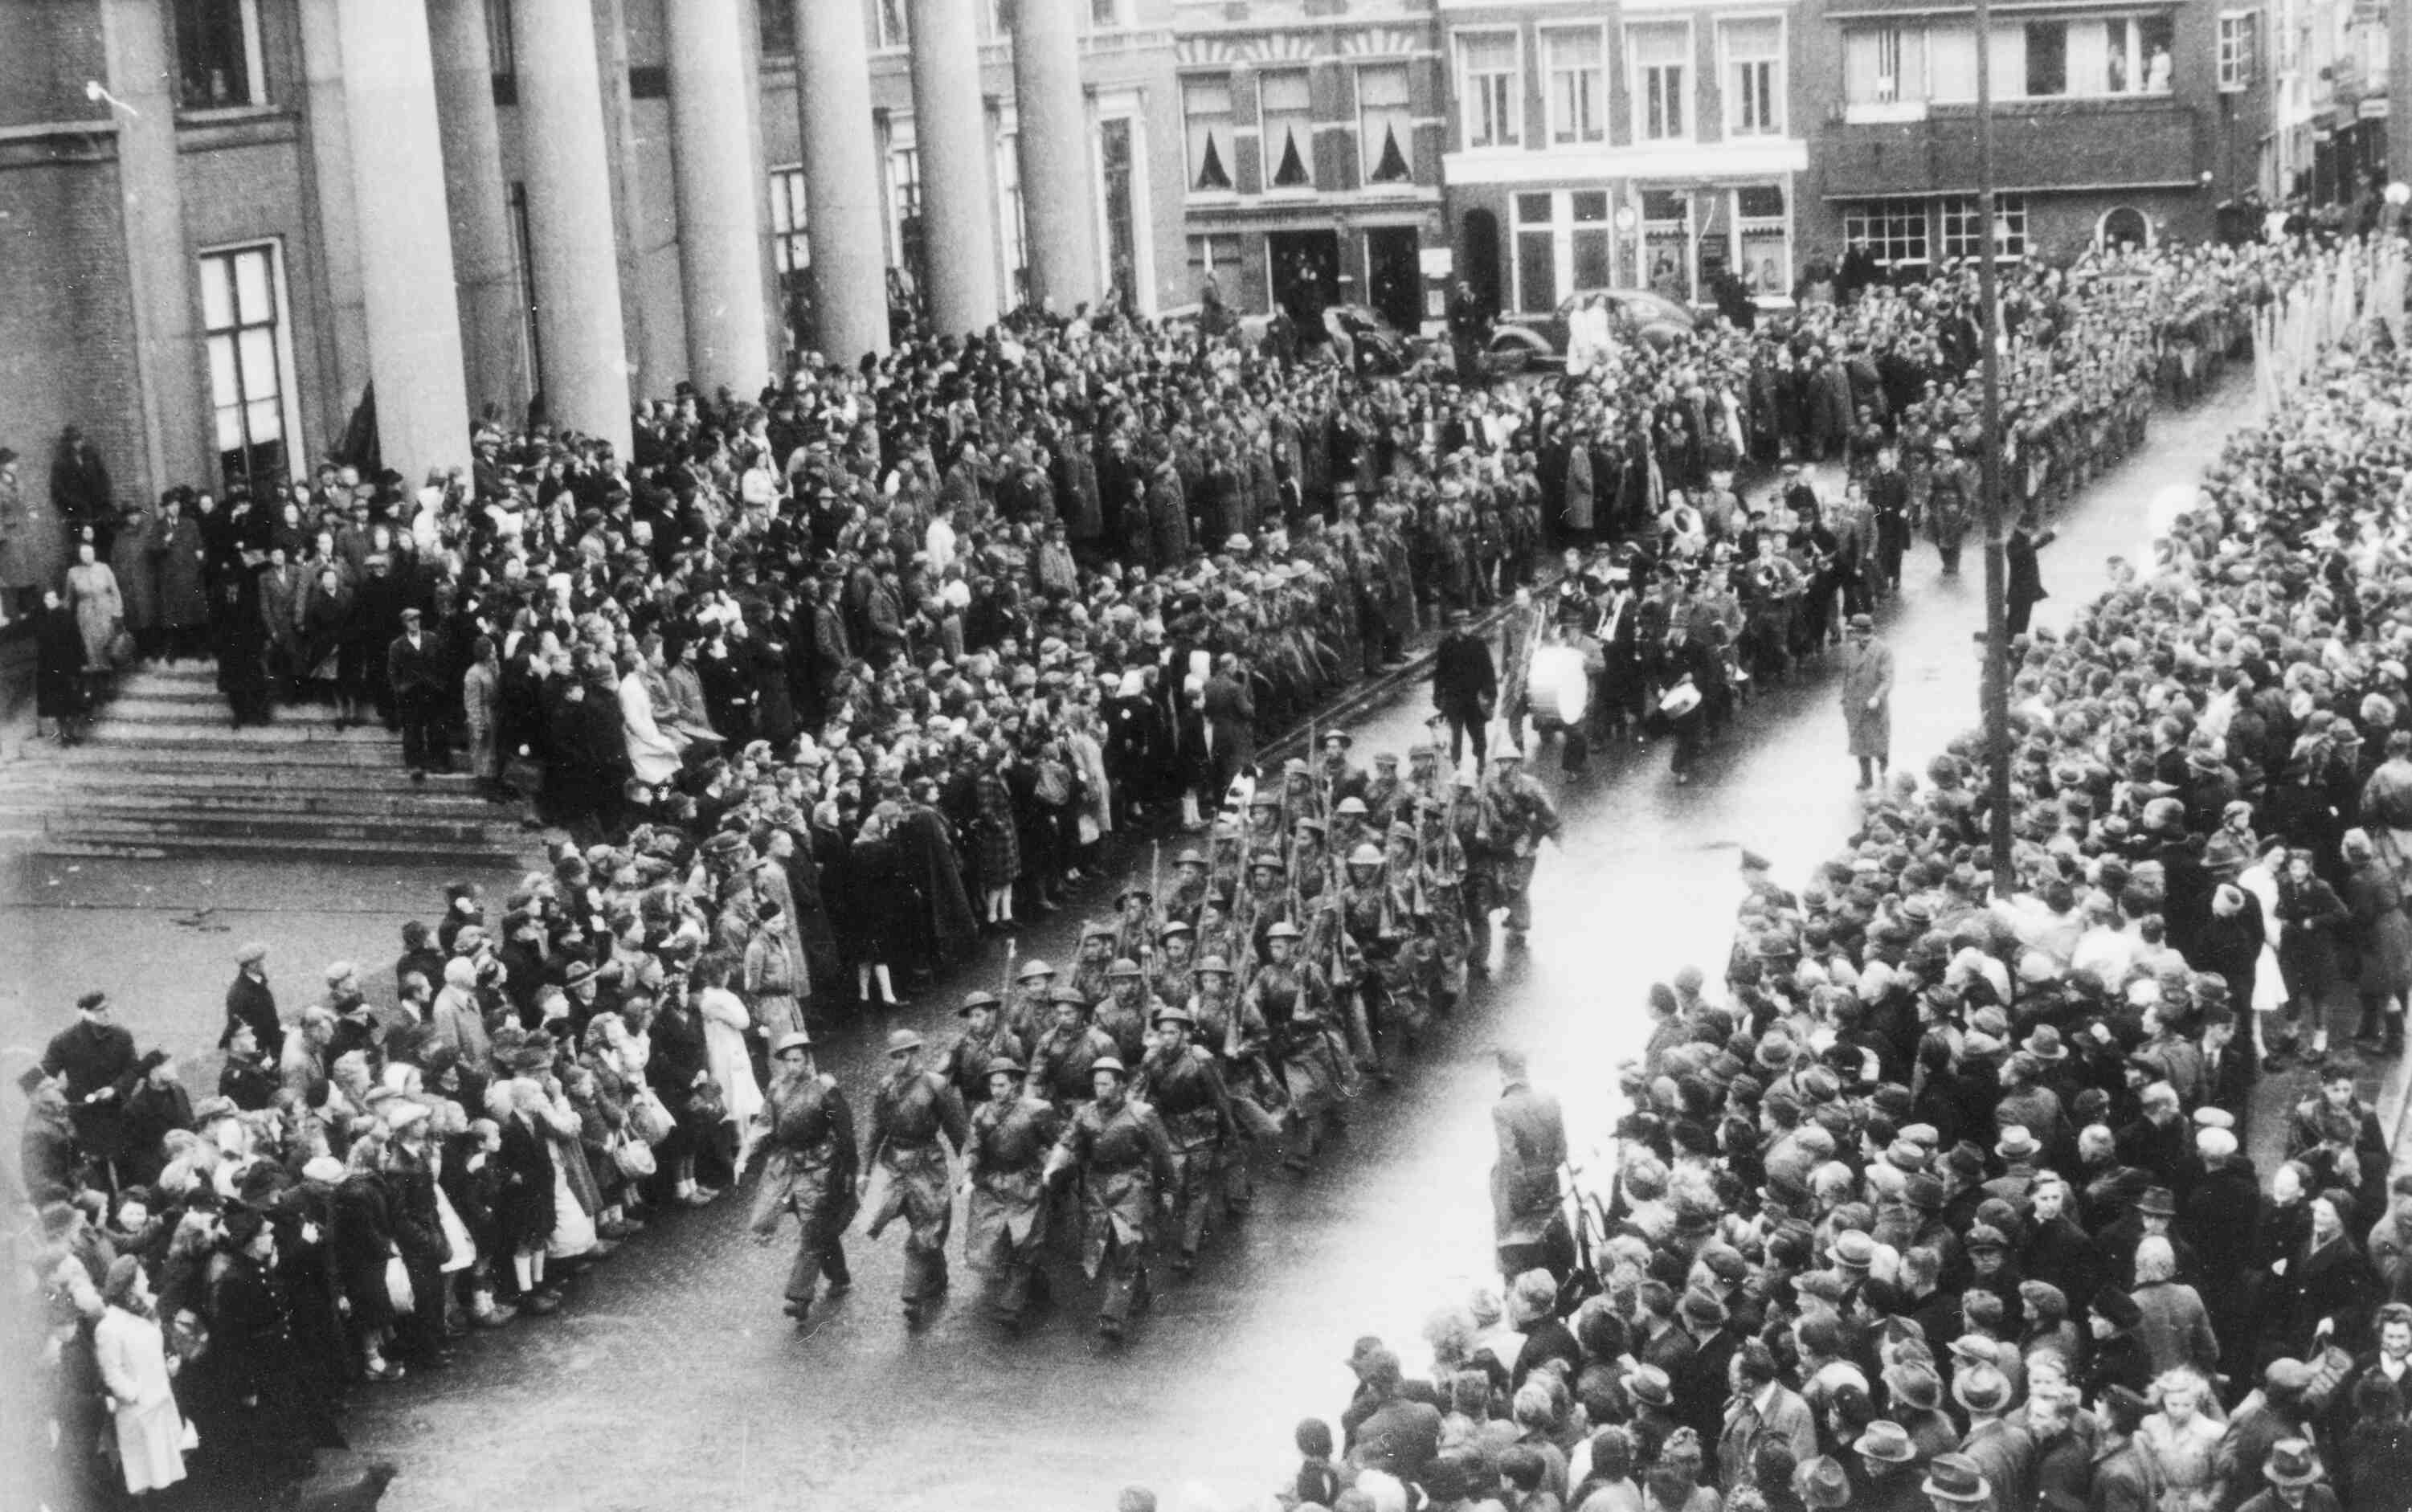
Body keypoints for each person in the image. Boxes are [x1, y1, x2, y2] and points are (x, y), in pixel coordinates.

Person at [1043, 1056, 1174, 1342]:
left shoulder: (1142, 1113)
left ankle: (1113, 1316)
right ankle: (1139, 1288)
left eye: (1106, 1084)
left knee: (1127, 1243)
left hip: (1132, 1184)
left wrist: (1167, 1189)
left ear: (1121, 1085)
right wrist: (1053, 1166)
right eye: (1096, 1084)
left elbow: (1163, 1155)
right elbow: (1068, 1142)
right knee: (1111, 1244)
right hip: (1097, 1187)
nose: (1099, 1089)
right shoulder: (1085, 1113)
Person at [743, 1031, 857, 1325]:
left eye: (799, 1059)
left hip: (819, 1168)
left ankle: (799, 1296)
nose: (794, 1066)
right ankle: (840, 1276)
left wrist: (848, 1169)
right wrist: (745, 1155)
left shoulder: (824, 1087)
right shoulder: (776, 1088)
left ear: (808, 1059)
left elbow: (843, 1129)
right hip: (787, 1168)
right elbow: (765, 1124)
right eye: (788, 1061)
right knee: (818, 1228)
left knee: (812, 1229)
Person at [861, 1028, 968, 1326]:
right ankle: (937, 1275)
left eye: (904, 1055)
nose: (899, 1062)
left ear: (915, 1053)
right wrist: (864, 1171)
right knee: (914, 1222)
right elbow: (875, 1129)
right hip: (894, 1161)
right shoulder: (885, 1087)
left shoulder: (935, 1084)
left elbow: (958, 1130)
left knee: (928, 1223)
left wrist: (968, 1168)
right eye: (894, 1056)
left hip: (927, 1163)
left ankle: (912, 1295)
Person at [92, 1255, 187, 1499]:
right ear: (129, 1286)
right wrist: (136, 1395)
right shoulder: (109, 1326)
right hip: (140, 1413)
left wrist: (168, 1368)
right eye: (142, 1278)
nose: (147, 1282)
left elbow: (151, 1355)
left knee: (167, 1474)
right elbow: (112, 1373)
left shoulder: (146, 1313)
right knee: (146, 1478)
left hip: (162, 1404)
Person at [1436, 609, 1499, 769]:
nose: (1468, 628)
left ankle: (1481, 761)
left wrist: (1490, 693)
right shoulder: (1445, 646)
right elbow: (1440, 672)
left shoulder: (1478, 644)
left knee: (1478, 733)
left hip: (1474, 698)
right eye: (1464, 625)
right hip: (1454, 698)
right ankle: (1456, 765)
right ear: (1456, 628)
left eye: (1469, 624)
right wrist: (1438, 695)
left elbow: (1488, 670)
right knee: (1454, 736)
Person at [388, 606, 446, 778]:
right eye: (410, 620)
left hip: (431, 690)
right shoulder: (397, 645)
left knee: (436, 728)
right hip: (410, 693)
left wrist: (440, 684)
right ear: (405, 623)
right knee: (412, 729)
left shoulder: (432, 639)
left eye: (417, 619)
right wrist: (399, 689)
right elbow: (392, 672)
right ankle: (414, 764)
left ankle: (438, 762)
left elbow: (443, 662)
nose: (415, 623)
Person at [1840, 612, 1893, 791]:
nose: (1851, 634)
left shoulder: (1883, 650)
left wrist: (1877, 697)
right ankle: (1866, 778)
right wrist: (1844, 699)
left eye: (1853, 631)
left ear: (1861, 631)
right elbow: (1847, 676)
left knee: (1877, 741)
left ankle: (1883, 757)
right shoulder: (1851, 649)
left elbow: (1888, 679)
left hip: (1874, 705)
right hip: (1855, 704)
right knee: (1859, 743)